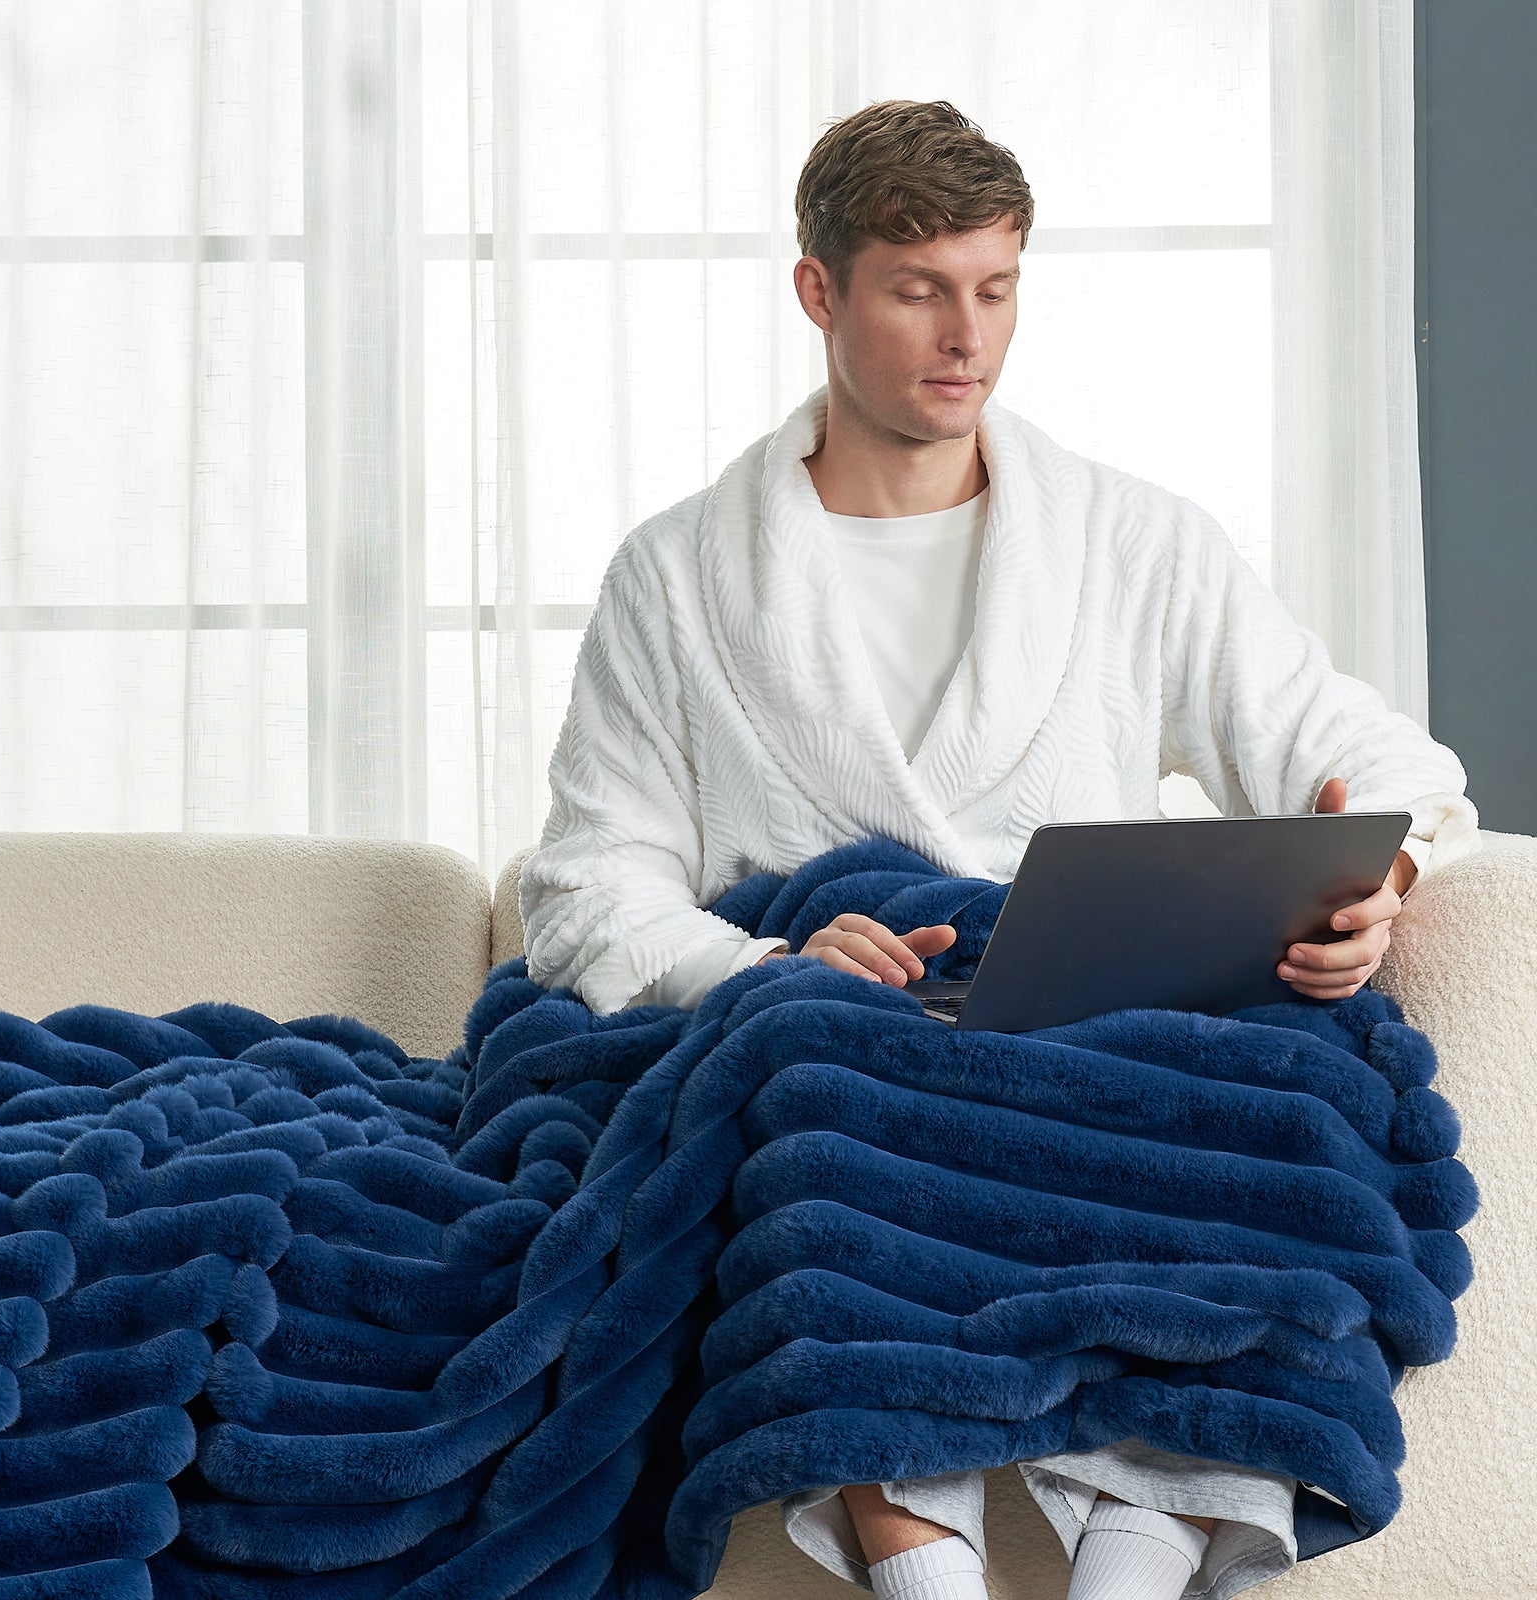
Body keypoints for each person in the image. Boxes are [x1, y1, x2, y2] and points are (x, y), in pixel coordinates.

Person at [518, 99, 1478, 1600]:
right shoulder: (679, 579)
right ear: (819, 293)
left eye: (997, 286)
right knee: (823, 1106)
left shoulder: (1136, 542)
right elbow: (585, 884)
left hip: (1089, 1006)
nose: (966, 336)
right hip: (848, 1013)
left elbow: (1382, 761)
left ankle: (1140, 1561)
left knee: (1289, 1091)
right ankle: (929, 1576)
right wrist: (764, 961)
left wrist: (1385, 877)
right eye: (917, 290)